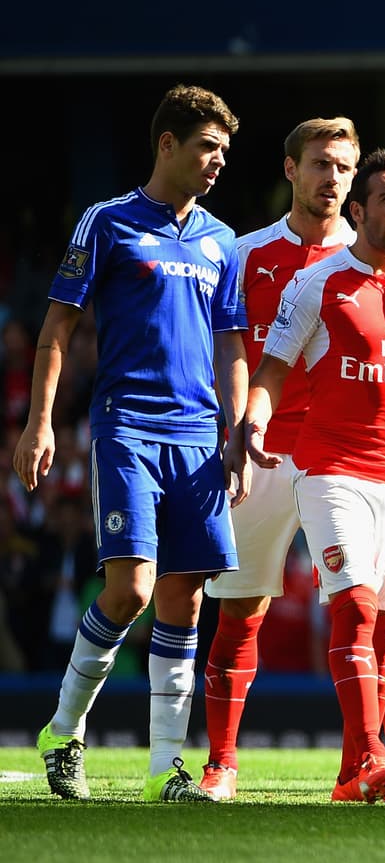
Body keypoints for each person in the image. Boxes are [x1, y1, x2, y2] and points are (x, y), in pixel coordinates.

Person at [16, 84, 246, 802]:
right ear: (167, 144)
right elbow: (57, 329)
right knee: (131, 590)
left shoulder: (221, 239)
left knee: (186, 599)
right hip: (127, 427)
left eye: (226, 152)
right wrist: (39, 421)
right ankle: (63, 730)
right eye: (208, 146)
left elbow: (231, 341)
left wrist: (236, 431)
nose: (218, 162)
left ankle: (165, 770)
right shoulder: (107, 221)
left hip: (198, 437)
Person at [242, 149, 385, 804]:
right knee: (354, 606)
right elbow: (271, 371)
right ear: (357, 210)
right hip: (330, 468)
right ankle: (364, 759)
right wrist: (252, 421)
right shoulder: (320, 282)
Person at [200, 117, 360, 799]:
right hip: (260, 452)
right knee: (242, 611)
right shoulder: (242, 253)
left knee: (366, 612)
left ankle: (365, 765)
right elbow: (221, 351)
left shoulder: (374, 256)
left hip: (343, 458)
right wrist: (228, 432)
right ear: (291, 169)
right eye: (320, 163)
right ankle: (221, 762)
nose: (331, 178)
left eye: (343, 167)